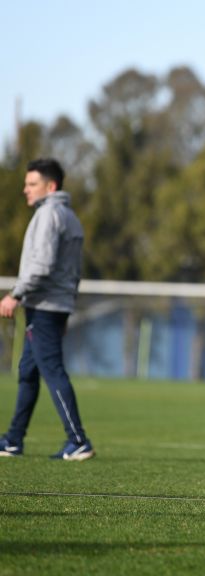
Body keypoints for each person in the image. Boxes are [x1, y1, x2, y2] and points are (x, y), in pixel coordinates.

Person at [0, 158, 94, 461]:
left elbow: (41, 266)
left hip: (43, 305)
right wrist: (66, 309)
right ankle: (13, 439)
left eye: (31, 184)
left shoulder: (48, 215)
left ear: (50, 186)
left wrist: (15, 295)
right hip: (55, 306)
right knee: (28, 371)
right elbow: (73, 272)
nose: (25, 190)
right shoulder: (69, 216)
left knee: (52, 371)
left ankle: (78, 440)